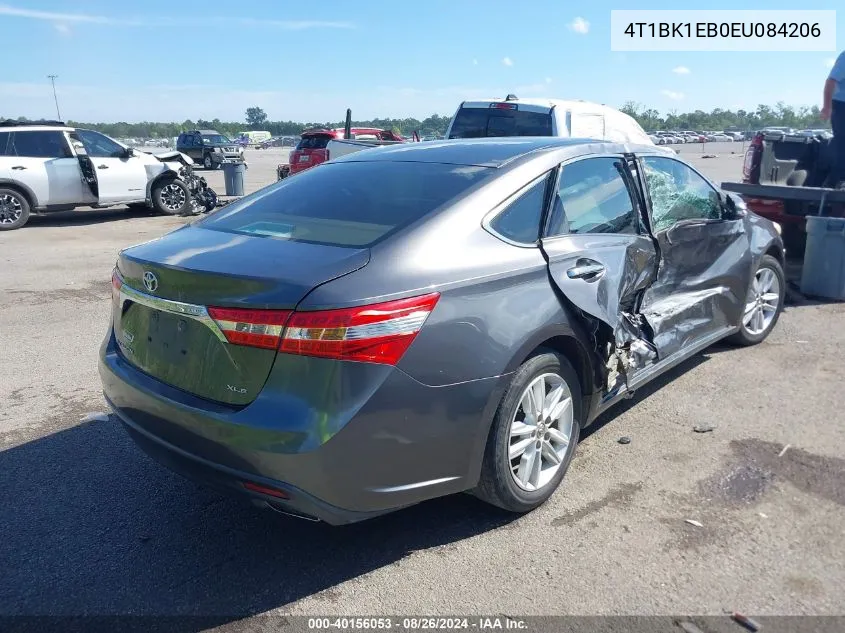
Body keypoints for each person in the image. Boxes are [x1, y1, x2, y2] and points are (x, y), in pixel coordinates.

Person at [822, 50, 845, 189]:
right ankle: (838, 182)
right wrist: (827, 107)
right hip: (842, 106)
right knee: (842, 144)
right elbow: (830, 82)